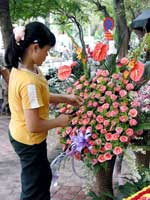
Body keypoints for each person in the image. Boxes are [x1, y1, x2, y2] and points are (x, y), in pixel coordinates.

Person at [5, 21, 83, 200]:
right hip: (28, 139)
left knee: (42, 176)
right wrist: (60, 121)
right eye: (46, 51)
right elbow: (34, 125)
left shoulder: (27, 68)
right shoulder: (29, 82)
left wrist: (66, 98)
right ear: (35, 48)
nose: (47, 56)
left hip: (22, 134)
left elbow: (40, 97)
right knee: (34, 188)